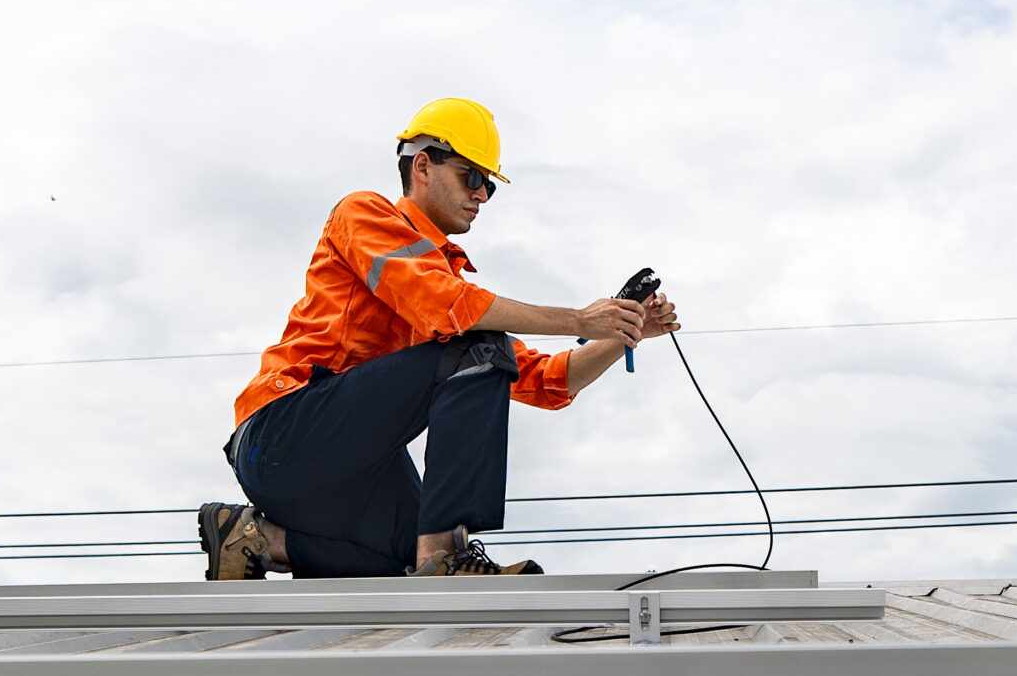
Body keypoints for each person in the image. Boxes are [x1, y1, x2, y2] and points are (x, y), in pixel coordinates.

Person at [199, 97, 680, 578]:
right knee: (480, 348)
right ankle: (446, 554)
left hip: (344, 468)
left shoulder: (453, 304)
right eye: (471, 177)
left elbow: (546, 381)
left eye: (488, 185)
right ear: (423, 166)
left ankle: (257, 540)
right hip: (280, 438)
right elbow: (451, 309)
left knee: (401, 566)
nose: (482, 196)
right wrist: (578, 319)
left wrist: (623, 334)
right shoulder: (364, 214)